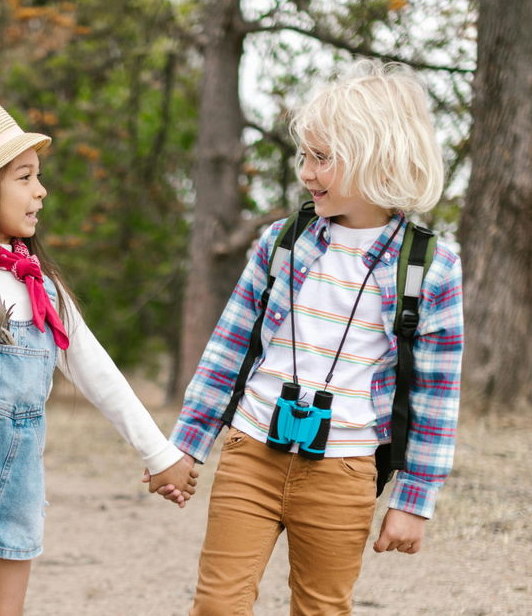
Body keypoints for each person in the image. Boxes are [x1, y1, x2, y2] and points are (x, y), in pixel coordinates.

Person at [0, 95, 198, 616]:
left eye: (37, 176)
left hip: (17, 482)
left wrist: (157, 453)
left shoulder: (41, 285)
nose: (41, 190)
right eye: (24, 177)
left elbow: (96, 371)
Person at [169, 61, 465, 615]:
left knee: (321, 607)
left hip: (346, 469)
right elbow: (228, 349)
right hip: (250, 450)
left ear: (381, 157)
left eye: (323, 158)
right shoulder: (282, 242)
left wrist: (414, 500)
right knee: (217, 604)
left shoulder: (432, 268)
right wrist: (189, 443)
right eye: (304, 156)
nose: (306, 171)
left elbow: (436, 396)